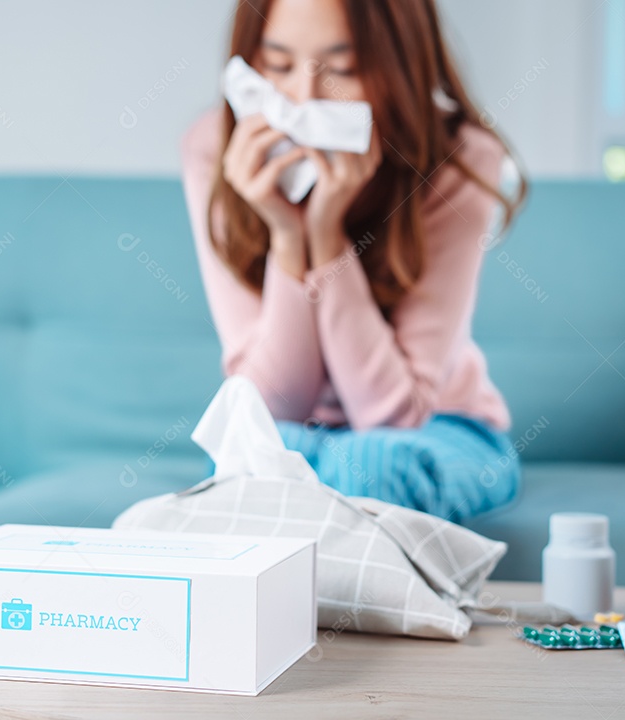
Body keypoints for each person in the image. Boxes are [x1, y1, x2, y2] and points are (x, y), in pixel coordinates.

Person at [180, 0, 527, 522]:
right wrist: (286, 233)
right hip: (295, 434)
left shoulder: (461, 159)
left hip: (439, 427)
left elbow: (393, 415)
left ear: (399, 64)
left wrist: (327, 232)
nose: (302, 99)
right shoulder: (215, 146)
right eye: (276, 66)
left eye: (341, 70)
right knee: (253, 466)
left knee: (371, 465)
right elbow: (267, 411)